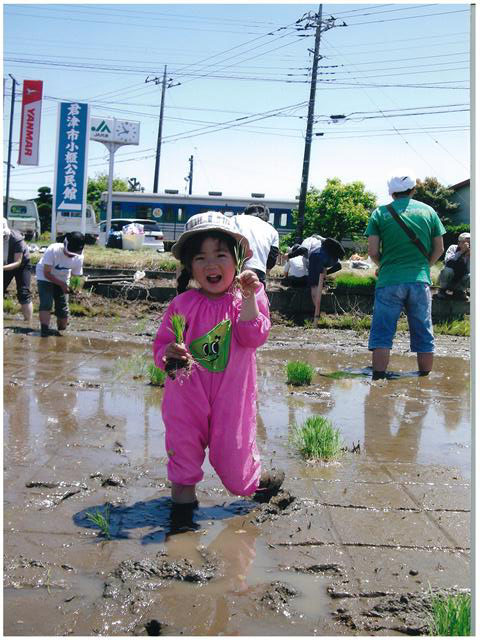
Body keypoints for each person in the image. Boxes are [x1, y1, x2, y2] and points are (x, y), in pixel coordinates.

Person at [153, 211, 284, 521]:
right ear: (190, 266)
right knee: (182, 464)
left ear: (238, 260)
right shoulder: (182, 304)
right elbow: (162, 349)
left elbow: (253, 336)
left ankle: (261, 481)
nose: (211, 265)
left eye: (220, 255)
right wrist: (169, 353)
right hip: (185, 401)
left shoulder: (246, 298)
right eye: (200, 258)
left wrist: (251, 297)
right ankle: (181, 524)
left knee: (235, 473)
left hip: (232, 402)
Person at [366, 170, 445, 379]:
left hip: (389, 280)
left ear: (391, 194)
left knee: (383, 331)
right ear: (413, 190)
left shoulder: (380, 213)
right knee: (423, 329)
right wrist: (424, 266)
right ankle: (424, 378)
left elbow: (373, 252)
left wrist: (384, 264)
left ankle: (379, 377)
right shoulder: (429, 212)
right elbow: (439, 248)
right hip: (419, 280)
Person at [35, 231, 85, 337]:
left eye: (73, 254)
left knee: (62, 307)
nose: (71, 255)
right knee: (46, 302)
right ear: (65, 244)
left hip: (62, 277)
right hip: (45, 276)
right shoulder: (53, 250)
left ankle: (62, 330)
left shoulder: (79, 257)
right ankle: (44, 330)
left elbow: (75, 276)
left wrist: (75, 289)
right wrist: (62, 284)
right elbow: (46, 273)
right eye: (69, 253)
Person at [231, 203, 279, 285]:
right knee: (256, 297)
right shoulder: (272, 230)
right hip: (257, 273)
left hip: (232, 269)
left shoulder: (235, 219)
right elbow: (272, 258)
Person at [289, 235, 344, 306]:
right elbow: (338, 266)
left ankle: (317, 312)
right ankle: (321, 284)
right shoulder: (322, 243)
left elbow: (303, 249)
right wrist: (325, 273)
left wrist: (288, 256)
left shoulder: (307, 240)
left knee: (314, 285)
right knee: (321, 273)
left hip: (317, 256)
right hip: (332, 259)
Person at [3, 218, 33, 323]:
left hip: (22, 264)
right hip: (5, 264)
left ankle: (28, 322)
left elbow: (18, 262)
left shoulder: (16, 238)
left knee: (23, 292)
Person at [436, 232, 470, 301]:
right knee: (447, 270)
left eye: (469, 242)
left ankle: (460, 291)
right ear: (459, 242)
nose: (467, 245)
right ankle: (442, 290)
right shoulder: (452, 248)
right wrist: (461, 252)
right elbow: (447, 261)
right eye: (464, 242)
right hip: (447, 280)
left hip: (460, 281)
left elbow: (469, 271)